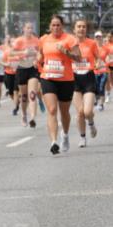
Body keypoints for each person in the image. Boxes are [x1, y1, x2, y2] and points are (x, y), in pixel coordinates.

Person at [37, 14, 81, 155]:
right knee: (51, 110)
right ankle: (54, 142)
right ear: (50, 26)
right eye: (53, 25)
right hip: (48, 78)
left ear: (62, 26)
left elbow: (78, 58)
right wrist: (36, 61)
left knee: (64, 112)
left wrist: (66, 52)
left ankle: (65, 135)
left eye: (58, 25)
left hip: (66, 80)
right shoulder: (43, 39)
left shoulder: (69, 39)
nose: (56, 27)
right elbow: (40, 56)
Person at [71, 18, 99, 147]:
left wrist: (97, 64)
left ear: (86, 29)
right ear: (74, 29)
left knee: (87, 112)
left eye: (83, 27)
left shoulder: (92, 43)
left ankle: (91, 123)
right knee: (80, 112)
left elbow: (98, 58)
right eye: (79, 26)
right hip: (74, 78)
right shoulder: (69, 44)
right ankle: (82, 137)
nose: (81, 29)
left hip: (88, 77)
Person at [12, 22, 41, 127]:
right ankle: (24, 114)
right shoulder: (19, 41)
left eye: (31, 28)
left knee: (32, 94)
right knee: (24, 96)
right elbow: (12, 53)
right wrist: (23, 53)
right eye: (28, 28)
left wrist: (37, 59)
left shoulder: (36, 40)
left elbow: (40, 53)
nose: (29, 30)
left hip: (32, 69)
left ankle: (33, 117)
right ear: (23, 29)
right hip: (21, 69)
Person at [94, 30, 107, 110]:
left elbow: (110, 58)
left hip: (103, 71)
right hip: (95, 71)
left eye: (100, 37)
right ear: (95, 38)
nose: (98, 38)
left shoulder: (106, 48)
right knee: (95, 87)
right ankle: (96, 100)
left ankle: (101, 104)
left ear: (102, 38)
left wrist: (105, 63)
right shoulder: (92, 48)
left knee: (101, 87)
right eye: (97, 37)